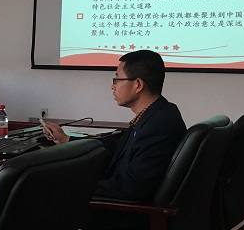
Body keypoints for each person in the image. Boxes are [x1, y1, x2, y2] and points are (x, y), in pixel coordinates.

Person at [42, 49, 187, 229]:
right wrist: (67, 140)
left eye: (117, 79)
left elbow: (130, 189)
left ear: (138, 85)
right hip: (120, 207)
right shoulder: (156, 114)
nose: (113, 86)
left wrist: (73, 186)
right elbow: (118, 147)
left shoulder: (159, 124)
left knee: (41, 201)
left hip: (124, 215)